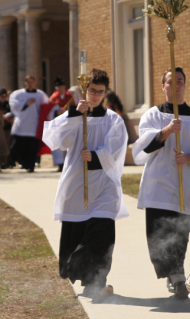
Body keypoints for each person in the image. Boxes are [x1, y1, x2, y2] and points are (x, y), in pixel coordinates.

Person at [42, 68, 128, 299]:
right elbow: (54, 139)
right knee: (79, 232)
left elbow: (117, 148)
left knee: (102, 234)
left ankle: (98, 282)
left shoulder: (113, 120)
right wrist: (72, 115)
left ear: (105, 92)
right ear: (84, 89)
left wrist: (97, 156)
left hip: (104, 185)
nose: (95, 96)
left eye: (100, 92)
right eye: (91, 91)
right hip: (77, 185)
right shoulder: (74, 115)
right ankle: (87, 278)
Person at [131, 67, 190, 298]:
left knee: (180, 233)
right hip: (158, 185)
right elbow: (142, 148)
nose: (176, 86)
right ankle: (173, 274)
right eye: (171, 82)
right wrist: (165, 131)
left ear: (186, 85)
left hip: (185, 184)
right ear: (162, 86)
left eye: (180, 81)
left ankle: (177, 275)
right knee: (158, 234)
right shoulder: (152, 116)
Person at [9, 75, 49, 173]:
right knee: (16, 148)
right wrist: (26, 103)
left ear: (34, 82)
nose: (30, 84)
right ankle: (22, 163)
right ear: (25, 82)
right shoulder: (18, 94)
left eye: (32, 82)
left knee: (32, 149)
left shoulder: (40, 94)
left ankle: (31, 166)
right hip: (21, 126)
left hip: (34, 126)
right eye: (28, 82)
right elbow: (13, 105)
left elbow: (47, 105)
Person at [48, 77, 75, 172]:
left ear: (64, 87)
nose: (60, 88)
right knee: (58, 144)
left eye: (61, 86)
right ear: (56, 88)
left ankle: (68, 163)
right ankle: (60, 164)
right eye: (58, 87)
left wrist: (68, 111)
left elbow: (75, 108)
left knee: (68, 143)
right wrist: (56, 111)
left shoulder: (70, 96)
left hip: (68, 123)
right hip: (57, 123)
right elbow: (49, 110)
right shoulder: (53, 98)